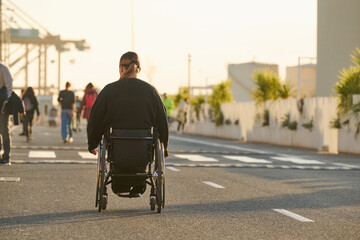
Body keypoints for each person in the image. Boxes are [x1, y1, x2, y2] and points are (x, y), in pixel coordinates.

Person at [87, 51, 169, 196]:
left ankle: (117, 185)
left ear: (120, 68)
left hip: (117, 151)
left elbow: (95, 118)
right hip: (142, 150)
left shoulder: (109, 90)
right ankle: (141, 185)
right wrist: (165, 146)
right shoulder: (150, 91)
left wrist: (92, 142)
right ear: (139, 69)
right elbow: (162, 120)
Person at [0, 63, 13, 165]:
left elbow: (9, 84)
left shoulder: (3, 68)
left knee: (4, 130)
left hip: (3, 104)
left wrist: (6, 100)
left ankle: (6, 156)